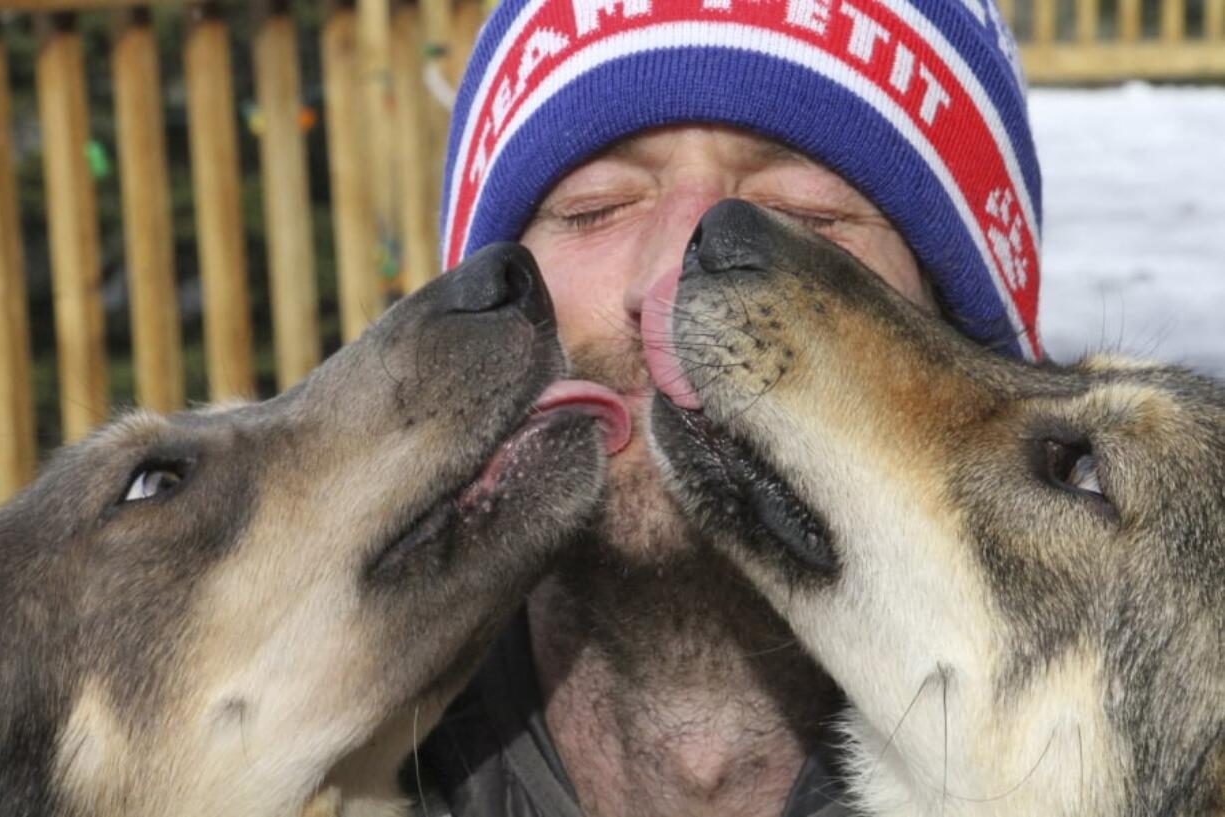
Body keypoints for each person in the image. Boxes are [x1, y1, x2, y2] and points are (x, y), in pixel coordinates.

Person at [415, 2, 1043, 816]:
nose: (674, 282)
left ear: (963, 337)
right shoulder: (317, 768)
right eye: (595, 206)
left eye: (806, 212)